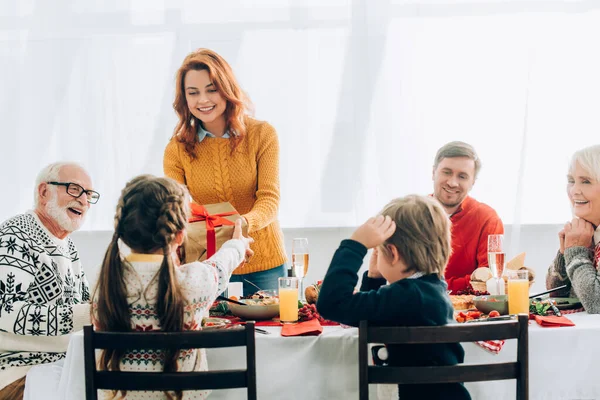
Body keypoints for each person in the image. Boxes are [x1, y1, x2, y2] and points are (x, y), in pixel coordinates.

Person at [92, 175, 252, 400]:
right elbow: (221, 264)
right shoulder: (196, 282)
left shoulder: (104, 286)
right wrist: (238, 244)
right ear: (180, 235)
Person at [317, 195, 471, 400]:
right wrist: (373, 279)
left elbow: (331, 303)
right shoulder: (432, 289)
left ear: (392, 252)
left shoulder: (405, 296)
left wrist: (355, 245)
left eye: (378, 251)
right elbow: (366, 317)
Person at [164, 48, 286, 295]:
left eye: (212, 89)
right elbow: (177, 210)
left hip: (263, 265)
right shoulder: (176, 150)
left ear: (227, 89)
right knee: (214, 333)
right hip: (206, 268)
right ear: (184, 98)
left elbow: (270, 199)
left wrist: (243, 224)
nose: (203, 100)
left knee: (268, 333)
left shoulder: (262, 135)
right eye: (193, 92)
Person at [0, 162, 98, 400]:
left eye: (89, 194)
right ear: (44, 192)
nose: (83, 200)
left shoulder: (68, 245)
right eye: (74, 189)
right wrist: (91, 313)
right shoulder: (16, 235)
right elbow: (6, 312)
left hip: (61, 366)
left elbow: (86, 304)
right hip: (18, 371)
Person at [431, 141, 504, 293]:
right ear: (433, 172)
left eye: (462, 176)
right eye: (446, 172)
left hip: (467, 311)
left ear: (472, 183)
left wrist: (429, 286)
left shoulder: (488, 219)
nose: (452, 182)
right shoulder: (411, 215)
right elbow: (401, 276)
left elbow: (487, 281)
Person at [546, 144, 600, 313]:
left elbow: (596, 304)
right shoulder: (586, 229)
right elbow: (556, 295)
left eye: (586, 181)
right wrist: (564, 256)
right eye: (571, 181)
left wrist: (575, 252)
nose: (574, 191)